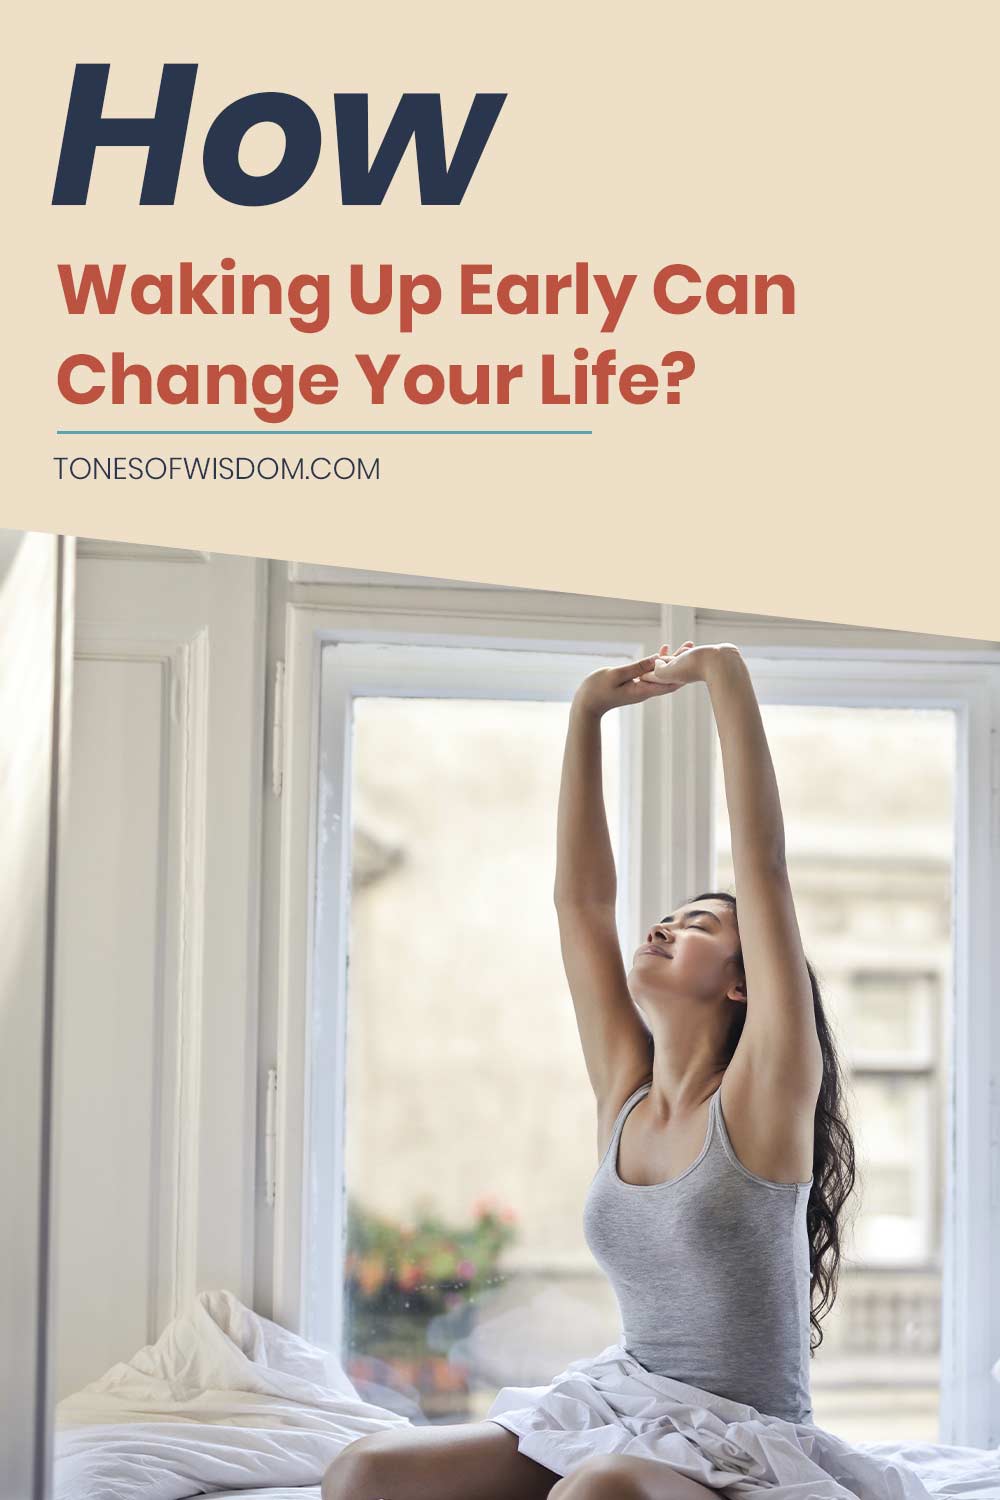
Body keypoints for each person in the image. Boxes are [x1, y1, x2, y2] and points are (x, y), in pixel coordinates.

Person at [322, 640, 857, 1500]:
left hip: (739, 1443)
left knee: (599, 1493)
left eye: (699, 927)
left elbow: (764, 867)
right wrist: (585, 716)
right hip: (622, 1407)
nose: (665, 926)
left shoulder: (762, 1096)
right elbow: (582, 903)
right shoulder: (627, 1095)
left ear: (744, 981)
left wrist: (725, 676)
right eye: (668, 915)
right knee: (362, 1474)